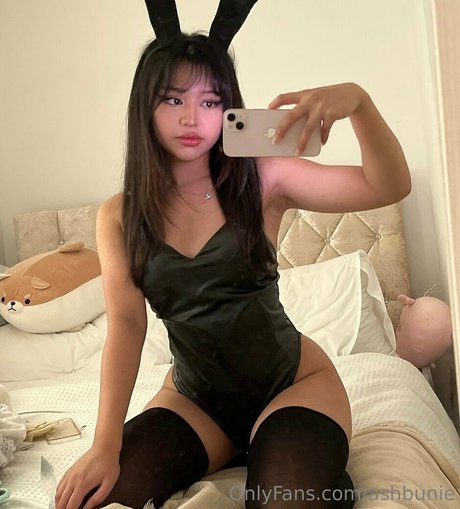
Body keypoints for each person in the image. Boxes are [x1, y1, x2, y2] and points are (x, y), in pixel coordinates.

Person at [55, 2, 411, 508]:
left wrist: (359, 102)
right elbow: (127, 327)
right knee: (101, 499)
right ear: (144, 106)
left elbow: (389, 185)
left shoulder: (264, 177)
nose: (191, 118)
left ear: (228, 109)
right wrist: (104, 445)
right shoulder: (119, 215)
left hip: (293, 386)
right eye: (172, 99)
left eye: (210, 101)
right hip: (194, 401)